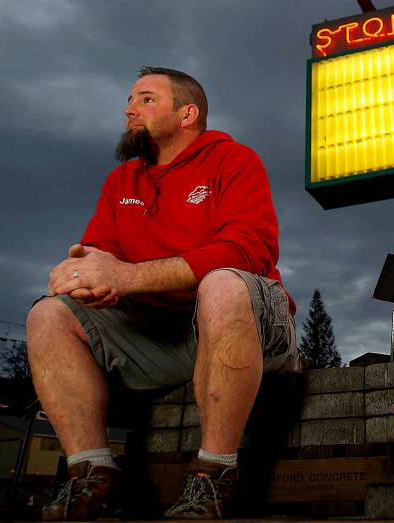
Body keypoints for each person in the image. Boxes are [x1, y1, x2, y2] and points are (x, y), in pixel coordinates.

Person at [27, 66, 299, 521]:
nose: (129, 109)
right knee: (47, 315)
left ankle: (214, 475)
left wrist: (128, 278)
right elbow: (101, 257)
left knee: (223, 281)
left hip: (248, 330)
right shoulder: (121, 182)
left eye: (146, 99)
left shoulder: (234, 160)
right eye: (131, 99)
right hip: (161, 338)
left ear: (187, 113)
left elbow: (250, 249)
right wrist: (79, 275)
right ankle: (91, 474)